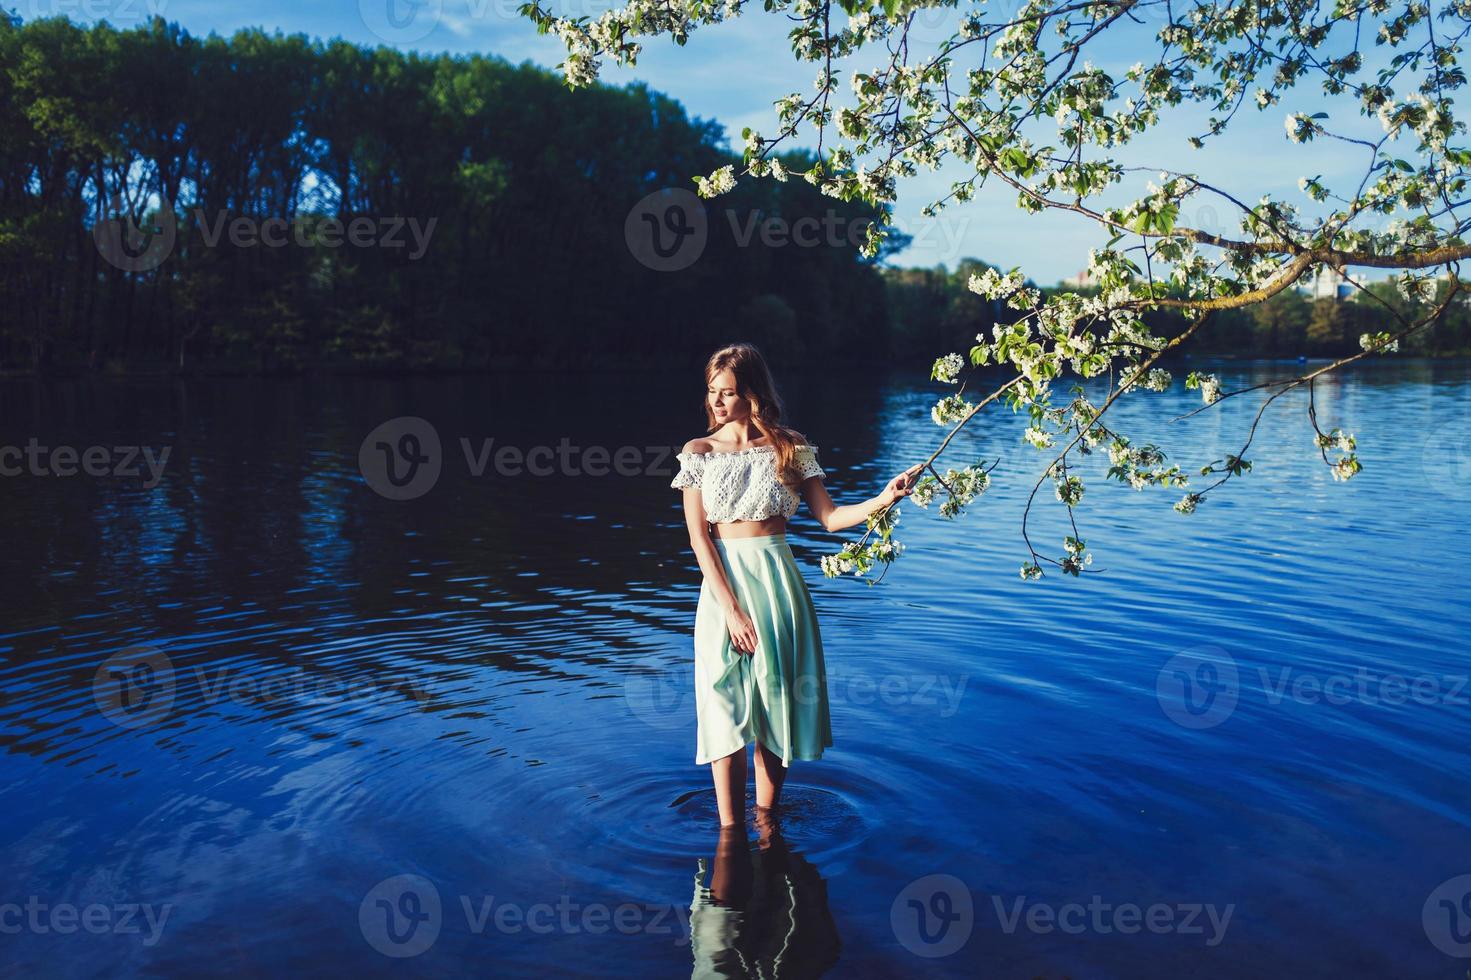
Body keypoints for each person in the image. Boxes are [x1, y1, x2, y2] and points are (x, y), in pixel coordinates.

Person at [670, 342, 922, 827]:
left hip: (778, 584)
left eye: (726, 394)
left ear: (753, 394)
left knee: (774, 708)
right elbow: (699, 541)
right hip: (723, 588)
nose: (715, 404)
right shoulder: (698, 453)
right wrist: (733, 612)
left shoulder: (790, 446)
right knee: (724, 709)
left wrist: (883, 498)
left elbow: (829, 518)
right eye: (711, 393)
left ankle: (767, 821)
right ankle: (729, 831)